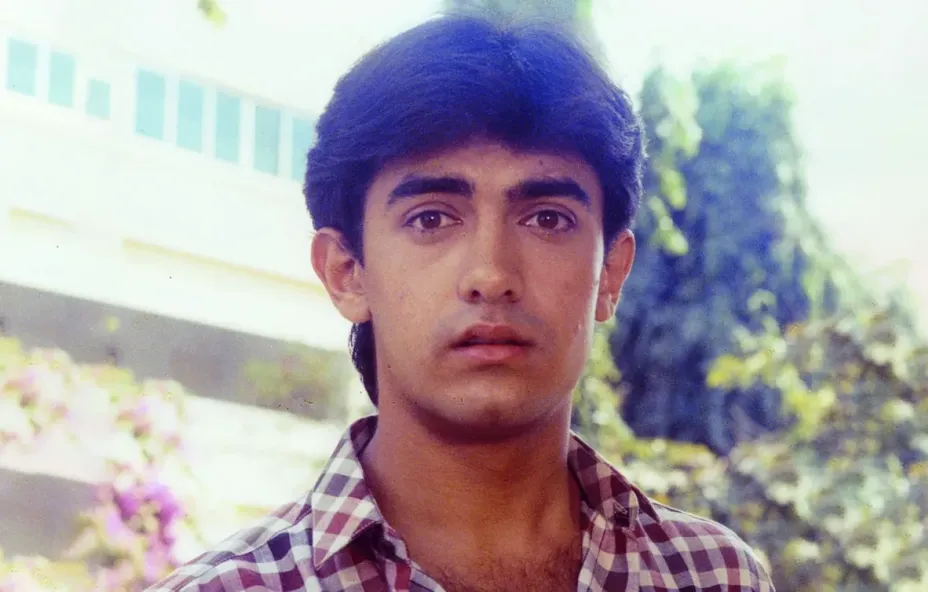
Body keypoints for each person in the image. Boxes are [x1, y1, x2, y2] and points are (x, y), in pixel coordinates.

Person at [149, 13, 774, 592]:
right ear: (347, 272)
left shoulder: (712, 576)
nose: (491, 275)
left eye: (548, 218)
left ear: (610, 273)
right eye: (431, 218)